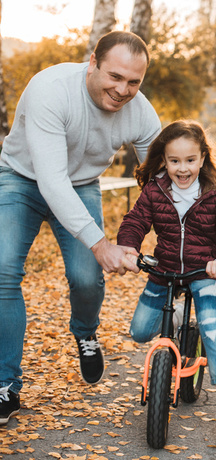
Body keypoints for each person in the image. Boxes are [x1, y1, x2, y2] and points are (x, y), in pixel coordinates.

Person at [0, 31, 162, 425]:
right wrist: (100, 243)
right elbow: (51, 180)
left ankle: (85, 333)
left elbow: (162, 178)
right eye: (114, 76)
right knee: (3, 270)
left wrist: (197, 225)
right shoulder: (51, 90)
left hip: (82, 184)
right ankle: (5, 385)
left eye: (134, 81)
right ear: (93, 62)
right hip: (21, 179)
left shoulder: (141, 112)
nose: (123, 90)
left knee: (87, 278)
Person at [117, 120, 216, 426]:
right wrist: (128, 248)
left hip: (203, 271)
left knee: (211, 327)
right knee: (139, 331)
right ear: (163, 160)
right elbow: (134, 222)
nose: (182, 169)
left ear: (202, 159)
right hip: (163, 271)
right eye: (174, 161)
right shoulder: (155, 191)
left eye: (190, 160)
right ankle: (177, 314)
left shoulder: (214, 196)